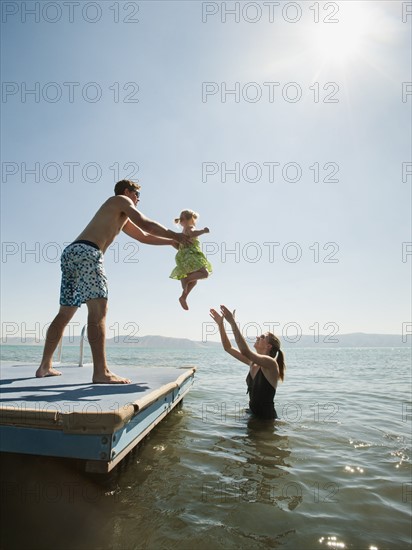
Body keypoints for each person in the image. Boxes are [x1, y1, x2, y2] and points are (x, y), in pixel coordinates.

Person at [36, 179, 191, 384]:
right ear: (128, 191)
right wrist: (175, 235)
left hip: (72, 253)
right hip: (89, 253)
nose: (138, 200)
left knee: (65, 312)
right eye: (137, 195)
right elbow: (146, 223)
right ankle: (101, 372)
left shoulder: (119, 213)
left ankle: (44, 366)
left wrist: (171, 241)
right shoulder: (119, 200)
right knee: (98, 310)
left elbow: (143, 236)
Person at [209, 305, 285, 419]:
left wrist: (233, 323)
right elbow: (228, 348)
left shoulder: (271, 364)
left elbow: (245, 351)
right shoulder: (253, 363)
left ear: (269, 346)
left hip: (266, 422)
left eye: (262, 337)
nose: (257, 337)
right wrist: (220, 325)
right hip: (253, 416)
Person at [169, 209, 212, 310]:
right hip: (191, 255)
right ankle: (186, 279)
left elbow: (177, 244)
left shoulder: (183, 231)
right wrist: (203, 231)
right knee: (204, 273)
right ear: (191, 219)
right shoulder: (190, 227)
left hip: (184, 257)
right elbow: (193, 233)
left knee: (195, 280)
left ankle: (183, 297)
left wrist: (180, 249)